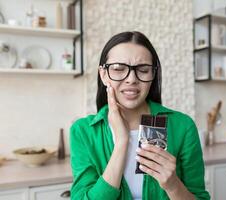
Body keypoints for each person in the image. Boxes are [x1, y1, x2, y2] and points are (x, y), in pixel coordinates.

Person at [70, 31, 210, 200]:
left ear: (153, 75)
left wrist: (173, 185)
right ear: (103, 74)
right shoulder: (83, 131)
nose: (131, 79)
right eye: (119, 69)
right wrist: (122, 142)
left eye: (143, 70)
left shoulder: (183, 126)